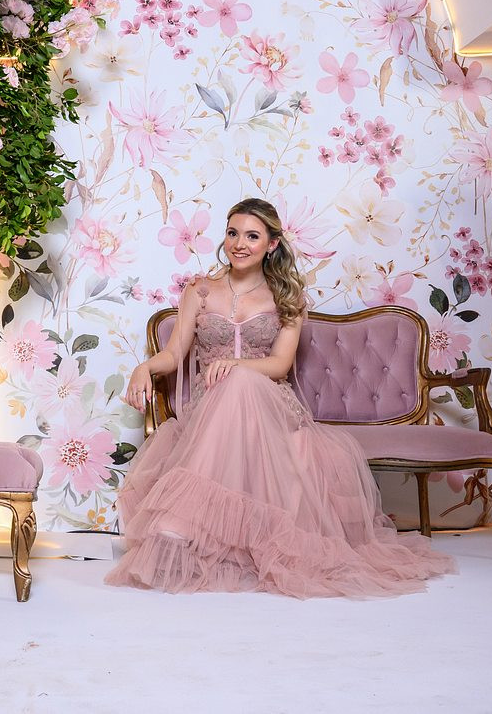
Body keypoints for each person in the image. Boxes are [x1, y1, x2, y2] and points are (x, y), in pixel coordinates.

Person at [107, 198, 455, 597]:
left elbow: (280, 364)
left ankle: (180, 524)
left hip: (271, 403)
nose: (240, 244)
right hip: (210, 406)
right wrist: (145, 367)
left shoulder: (285, 296)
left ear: (271, 244)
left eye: (252, 236)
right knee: (232, 388)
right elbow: (174, 354)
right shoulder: (199, 291)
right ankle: (196, 530)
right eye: (233, 233)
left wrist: (237, 366)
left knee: (241, 382)